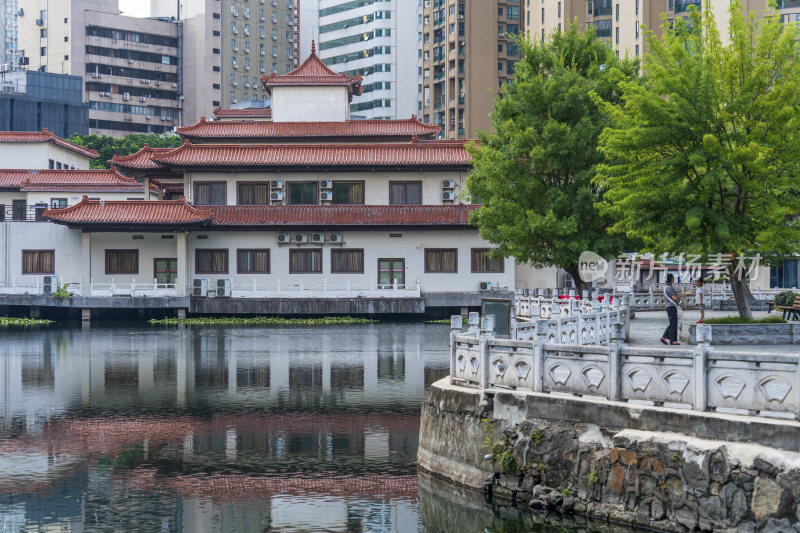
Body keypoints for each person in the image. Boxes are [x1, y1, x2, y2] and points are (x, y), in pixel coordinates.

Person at [660, 274, 681, 345]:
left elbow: (664, 298)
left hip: (668, 306)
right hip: (672, 307)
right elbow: (674, 298)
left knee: (672, 323)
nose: (673, 279)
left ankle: (665, 337)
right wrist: (682, 295)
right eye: (673, 278)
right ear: (671, 279)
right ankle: (672, 340)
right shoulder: (670, 288)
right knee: (673, 323)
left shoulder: (665, 287)